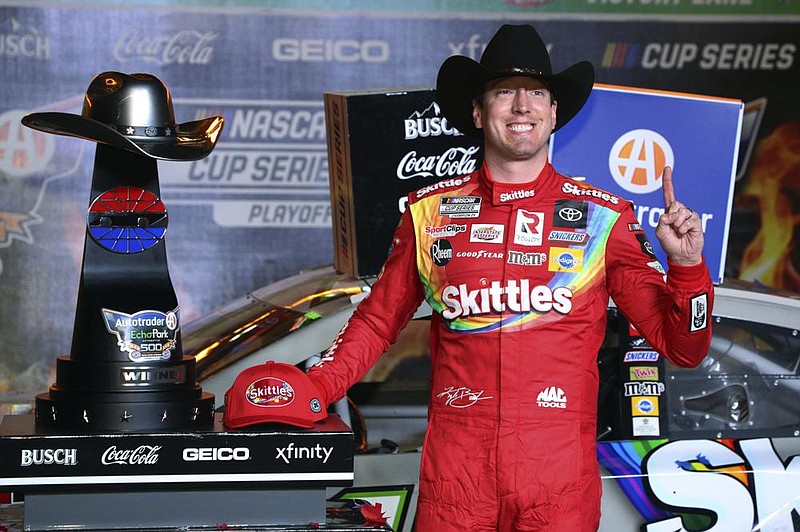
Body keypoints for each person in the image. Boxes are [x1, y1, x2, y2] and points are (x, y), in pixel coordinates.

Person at [307, 24, 713, 531]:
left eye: (536, 92)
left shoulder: (602, 219)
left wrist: (689, 266)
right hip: (457, 474)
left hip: (558, 479)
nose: (522, 105)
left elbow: (685, 348)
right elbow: (374, 323)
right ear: (478, 113)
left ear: (553, 113)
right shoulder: (429, 213)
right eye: (504, 91)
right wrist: (314, 390)